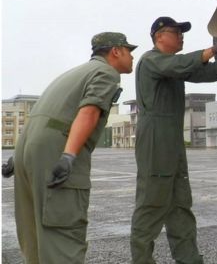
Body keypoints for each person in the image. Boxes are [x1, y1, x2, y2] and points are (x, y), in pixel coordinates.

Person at [4, 32, 137, 263]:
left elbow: (43, 116)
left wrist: (16, 158)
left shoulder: (71, 74)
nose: (132, 57)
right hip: (56, 151)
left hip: (27, 150)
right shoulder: (106, 73)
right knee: (63, 233)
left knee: (34, 233)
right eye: (129, 51)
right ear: (116, 51)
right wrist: (68, 156)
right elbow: (89, 111)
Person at [130, 16, 217, 264]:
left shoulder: (173, 66)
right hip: (155, 138)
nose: (181, 36)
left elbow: (204, 73)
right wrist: (214, 49)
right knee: (151, 203)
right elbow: (184, 64)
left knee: (180, 206)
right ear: (159, 36)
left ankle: (189, 259)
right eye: (176, 32)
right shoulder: (151, 61)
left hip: (171, 140)